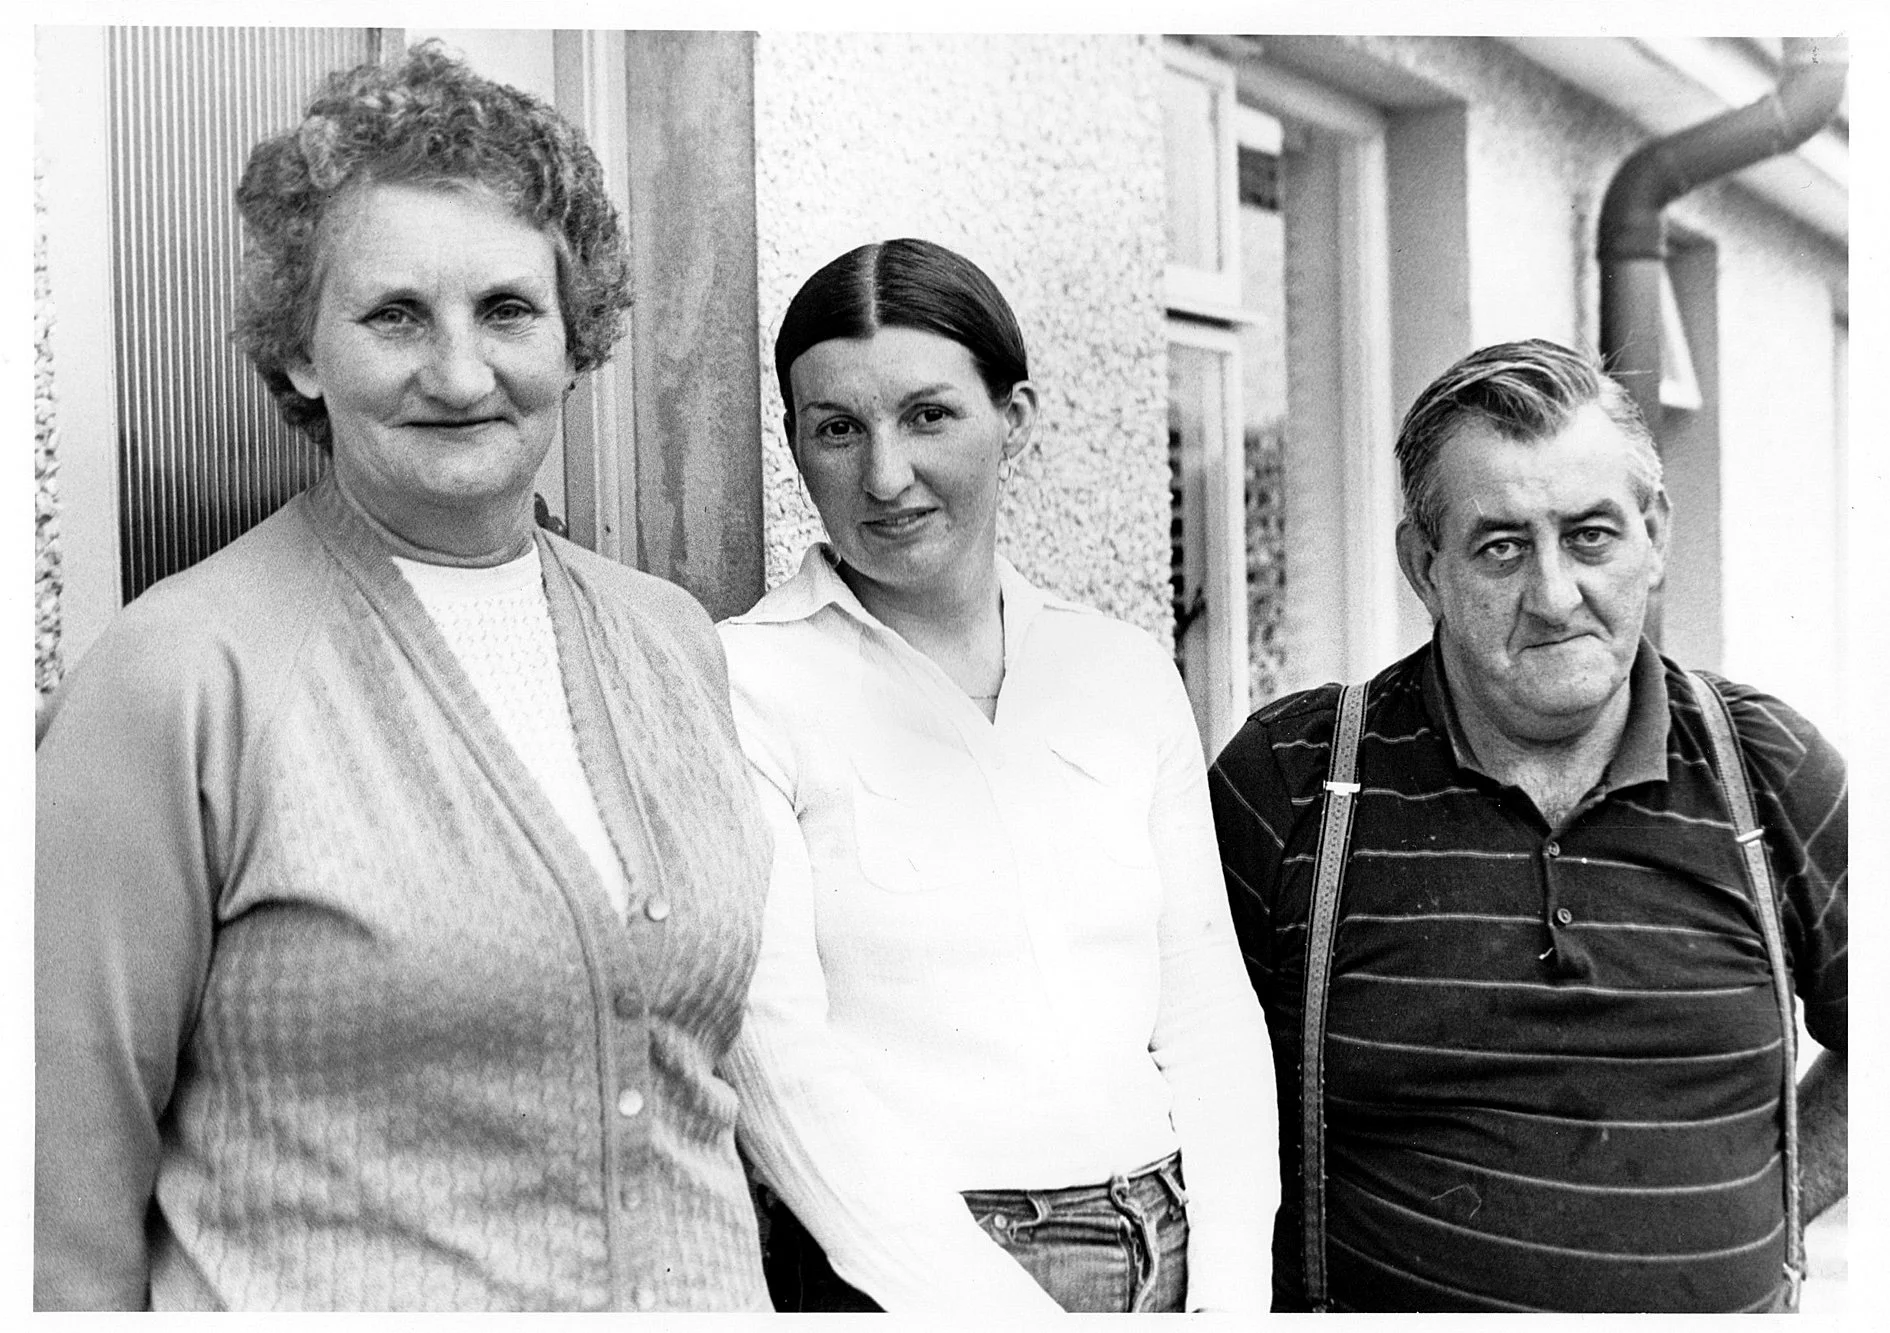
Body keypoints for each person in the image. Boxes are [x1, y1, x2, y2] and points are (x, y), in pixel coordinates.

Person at [34, 44, 773, 1311]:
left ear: (576, 333)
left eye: (506, 310)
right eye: (393, 315)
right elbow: (51, 1204)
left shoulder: (670, 639)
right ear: (302, 353)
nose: (461, 371)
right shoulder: (178, 678)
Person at [1210, 338, 1847, 1313]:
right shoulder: (1292, 780)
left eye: (1590, 535)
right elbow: (1176, 1089)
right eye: (1501, 545)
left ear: (1656, 535)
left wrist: (1773, 1201)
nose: (1553, 597)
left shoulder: (1766, 769)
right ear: (1424, 564)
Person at [717, 238, 1276, 1314]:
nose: (885, 475)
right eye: (839, 428)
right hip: (910, 1277)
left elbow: (1204, 1001)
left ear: (1014, 418)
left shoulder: (1119, 670)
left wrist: (1235, 1293)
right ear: (795, 445)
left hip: (1170, 1247)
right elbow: (775, 1060)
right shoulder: (746, 680)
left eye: (929, 415)